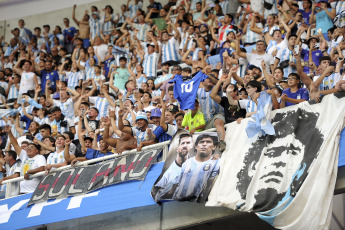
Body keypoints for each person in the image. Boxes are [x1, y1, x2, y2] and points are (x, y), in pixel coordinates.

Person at [236, 109, 324, 212]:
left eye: (292, 153)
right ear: (253, 166)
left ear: (301, 169)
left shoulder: (307, 210)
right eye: (274, 153)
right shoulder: (236, 205)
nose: (280, 162)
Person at [173, 134, 219, 202]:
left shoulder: (216, 162)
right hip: (179, 201)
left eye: (208, 142)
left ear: (214, 147)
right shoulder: (187, 163)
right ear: (196, 146)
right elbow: (176, 183)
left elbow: (210, 183)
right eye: (201, 142)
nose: (204, 144)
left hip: (199, 202)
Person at [152, 133, 193, 201]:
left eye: (188, 143)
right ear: (177, 148)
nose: (185, 146)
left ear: (191, 146)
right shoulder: (168, 172)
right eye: (182, 143)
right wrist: (171, 190)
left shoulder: (196, 166)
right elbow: (155, 194)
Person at [7, 127, 46, 194]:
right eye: (27, 148)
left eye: (31, 147)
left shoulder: (40, 157)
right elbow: (15, 144)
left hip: (34, 191)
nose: (28, 149)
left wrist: (28, 172)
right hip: (23, 191)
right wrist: (10, 133)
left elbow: (42, 168)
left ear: (37, 150)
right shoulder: (24, 156)